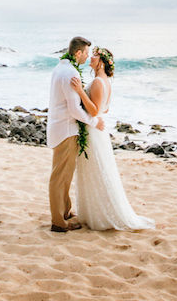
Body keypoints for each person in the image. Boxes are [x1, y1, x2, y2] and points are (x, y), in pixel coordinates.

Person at [71, 47, 155, 231]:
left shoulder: (98, 82)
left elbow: (95, 111)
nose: (91, 57)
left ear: (101, 62)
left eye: (95, 56)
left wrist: (80, 91)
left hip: (94, 130)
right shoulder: (105, 82)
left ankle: (99, 215)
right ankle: (95, 212)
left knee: (95, 170)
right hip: (98, 131)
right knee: (97, 170)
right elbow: (105, 109)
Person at [47, 36, 105, 232]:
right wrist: (94, 122)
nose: (87, 56)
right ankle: (58, 222)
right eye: (86, 53)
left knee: (64, 174)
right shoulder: (71, 73)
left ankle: (65, 211)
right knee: (60, 176)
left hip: (60, 127)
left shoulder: (60, 67)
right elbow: (74, 109)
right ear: (78, 53)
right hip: (66, 130)